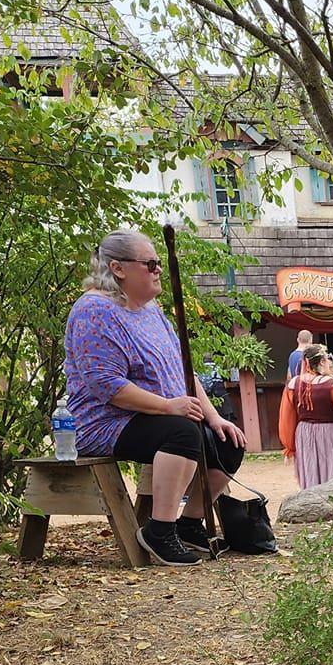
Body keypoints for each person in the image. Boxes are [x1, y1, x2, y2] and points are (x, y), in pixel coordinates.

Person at [63, 229, 254, 566]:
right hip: (107, 424)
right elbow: (106, 385)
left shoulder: (151, 310)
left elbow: (183, 369)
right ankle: (159, 532)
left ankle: (190, 524)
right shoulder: (93, 311)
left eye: (158, 263)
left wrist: (213, 416)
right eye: (150, 264)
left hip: (161, 417)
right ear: (119, 268)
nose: (158, 270)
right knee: (181, 432)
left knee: (228, 440)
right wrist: (169, 406)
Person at [286, 346, 333, 488]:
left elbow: (287, 417)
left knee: (310, 469)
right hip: (330, 432)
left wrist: (289, 446)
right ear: (321, 362)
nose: (329, 364)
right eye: (327, 360)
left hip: (303, 432)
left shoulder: (294, 383)